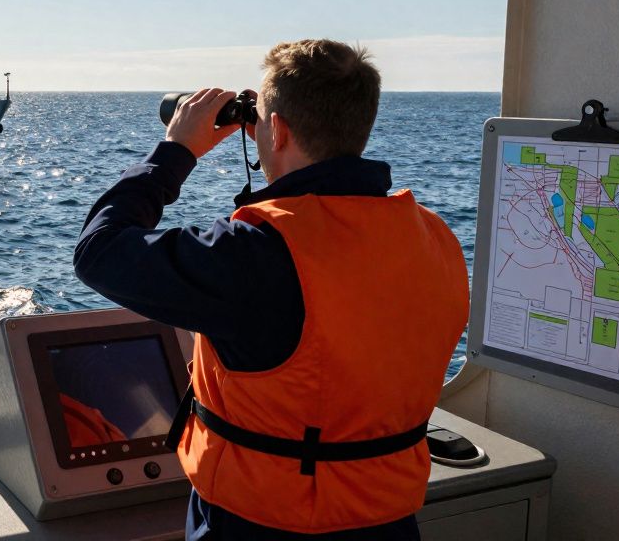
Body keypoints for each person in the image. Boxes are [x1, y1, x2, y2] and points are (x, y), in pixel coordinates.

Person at [73, 40, 469, 540]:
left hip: (261, 521)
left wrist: (176, 151)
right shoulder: (432, 235)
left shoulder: (258, 253)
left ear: (277, 130)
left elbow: (99, 251)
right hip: (387, 517)